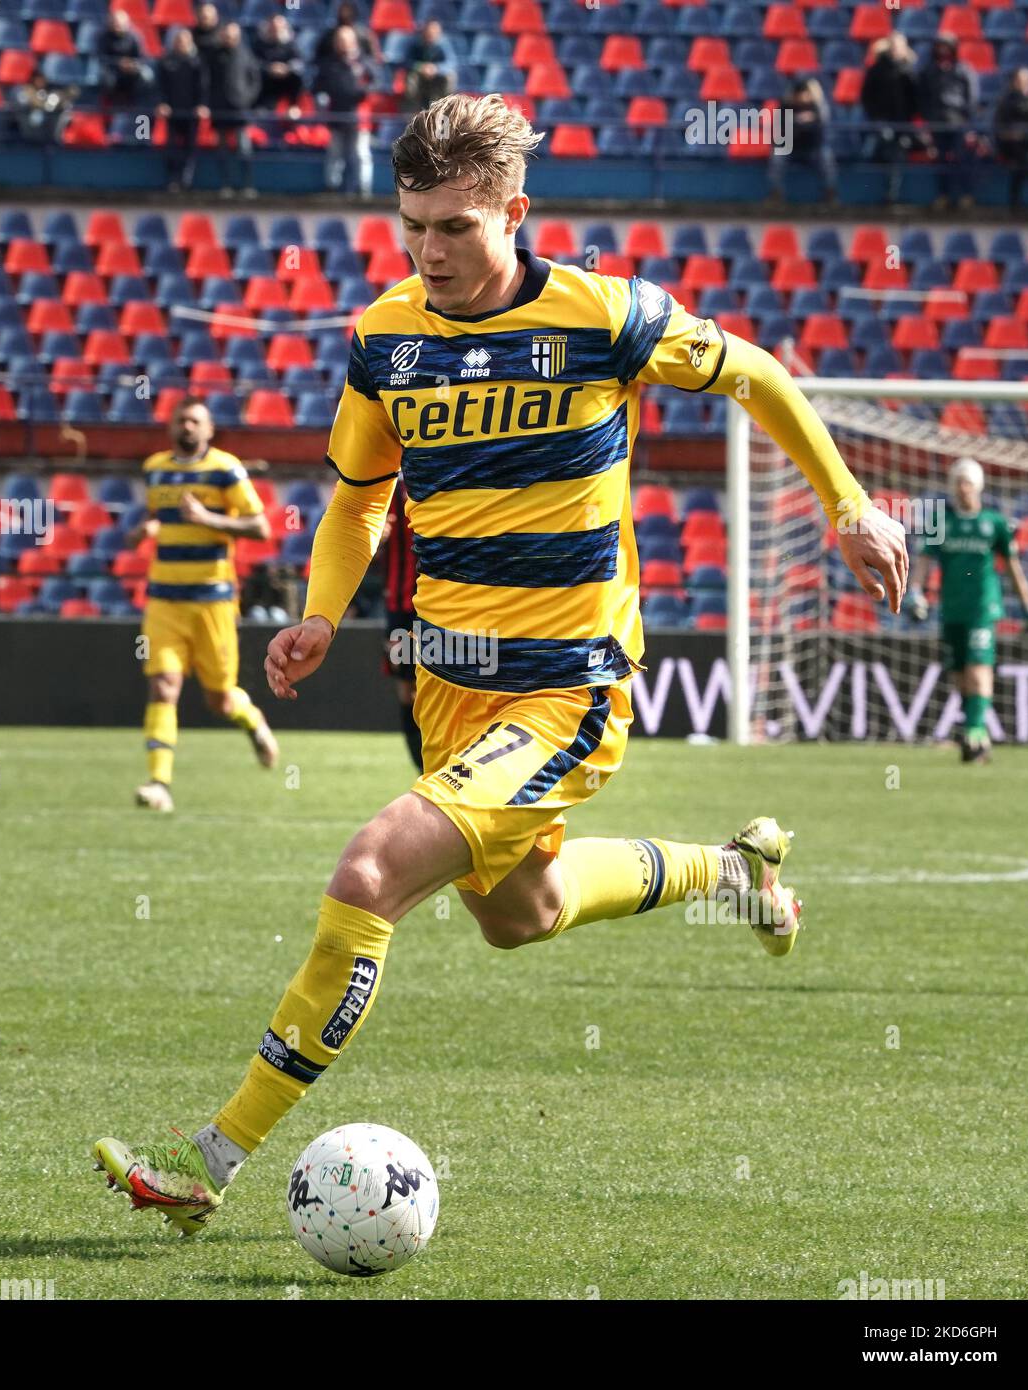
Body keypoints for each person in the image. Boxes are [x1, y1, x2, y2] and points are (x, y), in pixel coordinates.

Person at [91, 94, 907, 1232]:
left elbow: (758, 377)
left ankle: (208, 1159)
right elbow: (357, 497)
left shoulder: (607, 316)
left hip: (567, 683)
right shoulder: (387, 338)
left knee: (371, 871)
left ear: (513, 213)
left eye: (455, 229)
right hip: (446, 687)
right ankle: (733, 873)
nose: (430, 251)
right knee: (524, 912)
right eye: (411, 226)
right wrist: (323, 612)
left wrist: (850, 506)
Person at [130, 398, 279, 815]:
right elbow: (151, 519)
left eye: (195, 421)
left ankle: (252, 720)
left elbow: (261, 526)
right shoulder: (155, 468)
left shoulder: (225, 469)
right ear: (171, 427)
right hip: (164, 600)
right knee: (163, 686)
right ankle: (159, 783)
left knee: (221, 701)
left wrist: (207, 519)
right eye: (181, 420)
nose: (188, 426)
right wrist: (142, 531)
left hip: (212, 602)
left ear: (210, 429)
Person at [909, 459, 1028, 764]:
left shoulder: (994, 523)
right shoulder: (941, 521)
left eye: (968, 482)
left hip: (983, 609)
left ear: (978, 485)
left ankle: (974, 732)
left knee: (978, 669)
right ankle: (976, 738)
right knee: (959, 676)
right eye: (958, 482)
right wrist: (916, 592)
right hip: (951, 609)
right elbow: (925, 562)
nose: (962, 487)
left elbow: (1013, 569)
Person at [381, 478, 422, 771]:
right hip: (400, 605)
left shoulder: (447, 471)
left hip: (447, 603)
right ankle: (423, 770)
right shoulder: (386, 485)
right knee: (408, 690)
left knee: (445, 684)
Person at [918, 33, 979, 211]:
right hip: (937, 122)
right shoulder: (929, 70)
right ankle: (942, 196)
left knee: (962, 159)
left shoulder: (963, 69)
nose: (943, 50)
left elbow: (972, 97)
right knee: (940, 161)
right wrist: (928, 119)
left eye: (946, 46)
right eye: (940, 46)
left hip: (958, 121)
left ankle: (966, 196)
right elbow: (923, 98)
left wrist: (968, 120)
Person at [313, 24, 374, 196]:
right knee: (335, 155)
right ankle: (332, 187)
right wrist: (322, 98)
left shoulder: (364, 62)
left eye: (346, 40)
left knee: (361, 155)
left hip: (358, 116)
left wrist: (364, 91)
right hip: (336, 115)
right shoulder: (329, 63)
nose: (343, 44)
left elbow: (376, 82)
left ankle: (364, 190)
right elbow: (317, 86)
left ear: (353, 41)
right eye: (339, 40)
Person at [860, 34, 921, 206]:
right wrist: (875, 116)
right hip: (881, 121)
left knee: (896, 153)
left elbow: (916, 99)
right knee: (878, 146)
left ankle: (891, 194)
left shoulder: (909, 71)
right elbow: (867, 97)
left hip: (902, 123)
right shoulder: (877, 69)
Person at [206, 21, 261, 196]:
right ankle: (225, 185)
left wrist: (246, 99)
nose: (230, 38)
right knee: (222, 151)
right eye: (227, 35)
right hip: (220, 110)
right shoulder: (214, 55)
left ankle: (247, 185)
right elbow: (207, 81)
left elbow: (255, 80)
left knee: (244, 149)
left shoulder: (246, 54)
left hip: (240, 110)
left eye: (233, 35)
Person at [767, 76, 836, 205]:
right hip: (790, 148)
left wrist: (800, 124)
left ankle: (830, 192)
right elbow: (782, 131)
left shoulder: (816, 107)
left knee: (826, 155)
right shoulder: (785, 107)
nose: (802, 97)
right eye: (799, 94)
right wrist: (799, 122)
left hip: (811, 148)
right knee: (777, 156)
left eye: (805, 94)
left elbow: (818, 129)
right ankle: (776, 193)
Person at [157, 27, 210, 192]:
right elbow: (160, 86)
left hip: (191, 113)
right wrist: (162, 103)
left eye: (185, 41)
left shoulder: (198, 61)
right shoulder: (166, 61)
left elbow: (203, 86)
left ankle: (186, 181)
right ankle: (172, 180)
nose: (182, 44)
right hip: (172, 113)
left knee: (191, 148)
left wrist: (202, 104)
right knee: (171, 147)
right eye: (179, 41)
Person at [994, 67, 1028, 211]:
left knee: (1021, 161)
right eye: (1020, 80)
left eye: (1026, 80)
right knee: (1018, 152)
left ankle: (1016, 202)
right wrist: (1011, 134)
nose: (1023, 83)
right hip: (1009, 144)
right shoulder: (1006, 100)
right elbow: (999, 127)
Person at [97, 8, 153, 109]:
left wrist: (132, 65)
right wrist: (118, 63)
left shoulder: (134, 37)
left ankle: (138, 104)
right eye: (114, 23)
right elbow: (101, 58)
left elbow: (142, 58)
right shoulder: (104, 37)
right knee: (106, 78)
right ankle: (111, 105)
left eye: (120, 23)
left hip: (131, 69)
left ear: (126, 24)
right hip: (112, 69)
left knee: (147, 75)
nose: (117, 26)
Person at [402, 19, 457, 112]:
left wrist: (436, 68)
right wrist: (421, 67)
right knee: (411, 78)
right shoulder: (415, 43)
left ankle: (445, 106)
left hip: (437, 77)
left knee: (450, 76)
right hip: (420, 76)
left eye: (434, 32)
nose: (431, 34)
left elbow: (451, 63)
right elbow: (407, 62)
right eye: (429, 32)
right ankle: (413, 109)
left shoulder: (443, 44)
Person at [253, 13, 304, 114]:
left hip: (287, 93)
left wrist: (286, 68)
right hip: (265, 94)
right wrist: (269, 68)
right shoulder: (259, 45)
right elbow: (253, 64)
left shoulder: (291, 46)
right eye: (273, 27)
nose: (276, 30)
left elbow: (299, 64)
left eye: (279, 27)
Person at [12, 71, 78, 144]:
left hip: (49, 121)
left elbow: (73, 91)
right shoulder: (27, 90)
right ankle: (31, 140)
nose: (41, 82)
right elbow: (36, 103)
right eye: (38, 80)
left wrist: (61, 99)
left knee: (65, 114)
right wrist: (42, 105)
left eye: (42, 80)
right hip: (29, 121)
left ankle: (55, 140)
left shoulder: (49, 90)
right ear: (33, 80)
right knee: (36, 115)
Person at [313, 2, 381, 68]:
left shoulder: (364, 34)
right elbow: (319, 57)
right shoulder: (328, 36)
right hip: (336, 72)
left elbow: (375, 57)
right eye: (342, 41)